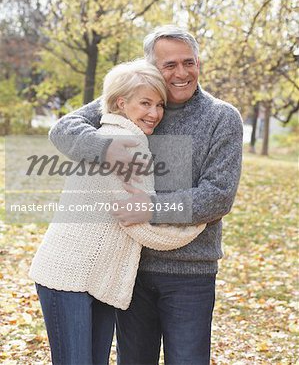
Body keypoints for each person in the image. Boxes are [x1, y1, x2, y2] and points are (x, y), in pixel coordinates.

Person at [49, 26, 243, 365]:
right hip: (131, 270)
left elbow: (218, 196)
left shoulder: (221, 117)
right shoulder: (136, 97)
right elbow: (63, 130)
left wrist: (151, 207)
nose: (181, 73)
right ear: (151, 66)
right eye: (169, 65)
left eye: (189, 62)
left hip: (190, 274)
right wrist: (107, 147)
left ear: (198, 63)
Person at [30, 59, 205, 365]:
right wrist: (198, 220)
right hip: (66, 273)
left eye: (159, 105)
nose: (154, 113)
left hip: (97, 278)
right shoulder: (122, 142)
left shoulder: (116, 135)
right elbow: (139, 224)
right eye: (145, 103)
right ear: (121, 103)